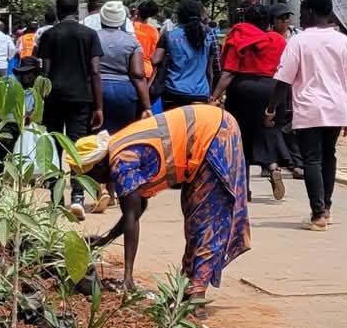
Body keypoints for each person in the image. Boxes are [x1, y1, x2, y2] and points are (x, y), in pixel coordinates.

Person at [80, 103, 250, 302]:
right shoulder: (119, 149)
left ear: (99, 165)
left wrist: (127, 275)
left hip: (213, 133)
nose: (94, 182)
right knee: (193, 212)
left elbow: (131, 217)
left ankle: (196, 293)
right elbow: (137, 208)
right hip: (209, 130)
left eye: (91, 176)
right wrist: (104, 240)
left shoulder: (122, 162)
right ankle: (187, 286)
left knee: (205, 218)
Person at [270, 0, 347, 229]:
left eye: (301, 12)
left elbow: (284, 81)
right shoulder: (344, 41)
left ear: (309, 12)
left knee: (312, 159)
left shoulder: (298, 41)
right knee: (328, 156)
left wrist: (271, 109)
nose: (299, 17)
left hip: (310, 108)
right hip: (337, 108)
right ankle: (326, 209)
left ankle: (318, 214)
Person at [212, 2, 290, 201]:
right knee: (268, 131)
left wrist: (214, 97)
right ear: (268, 21)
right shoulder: (278, 40)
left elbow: (229, 72)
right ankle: (273, 166)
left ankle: (243, 190)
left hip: (243, 89)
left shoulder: (239, 37)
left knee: (241, 139)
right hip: (272, 91)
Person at [39, 0, 103, 209]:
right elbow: (95, 71)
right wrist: (99, 106)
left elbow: (44, 72)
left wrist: (40, 101)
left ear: (58, 11)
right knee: (77, 148)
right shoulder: (89, 34)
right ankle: (77, 196)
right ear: (77, 10)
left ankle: (56, 197)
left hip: (54, 98)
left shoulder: (48, 35)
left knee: (54, 147)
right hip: (81, 98)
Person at [95, 0, 151, 135]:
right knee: (123, 135)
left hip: (96, 89)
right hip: (124, 92)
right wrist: (147, 106)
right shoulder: (132, 41)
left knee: (96, 137)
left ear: (101, 19)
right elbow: (138, 74)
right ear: (122, 20)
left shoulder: (92, 38)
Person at [153, 0, 219, 109]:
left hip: (174, 91)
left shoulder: (169, 36)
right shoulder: (207, 38)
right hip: (201, 93)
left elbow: (155, 60)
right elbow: (209, 71)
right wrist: (210, 92)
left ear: (179, 16)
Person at [132, 1, 161, 70]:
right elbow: (154, 53)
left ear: (137, 11)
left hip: (129, 67)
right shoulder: (153, 31)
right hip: (146, 69)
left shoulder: (130, 27)